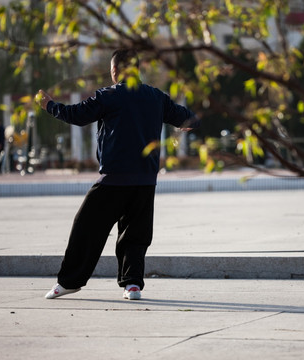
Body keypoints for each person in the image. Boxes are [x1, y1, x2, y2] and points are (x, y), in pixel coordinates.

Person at [37, 49, 200, 300]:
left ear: (114, 71)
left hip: (113, 180)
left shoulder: (109, 96)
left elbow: (77, 116)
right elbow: (187, 119)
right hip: (145, 181)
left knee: (86, 228)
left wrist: (49, 105)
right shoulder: (156, 96)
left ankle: (69, 282)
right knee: (135, 234)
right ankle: (132, 285)